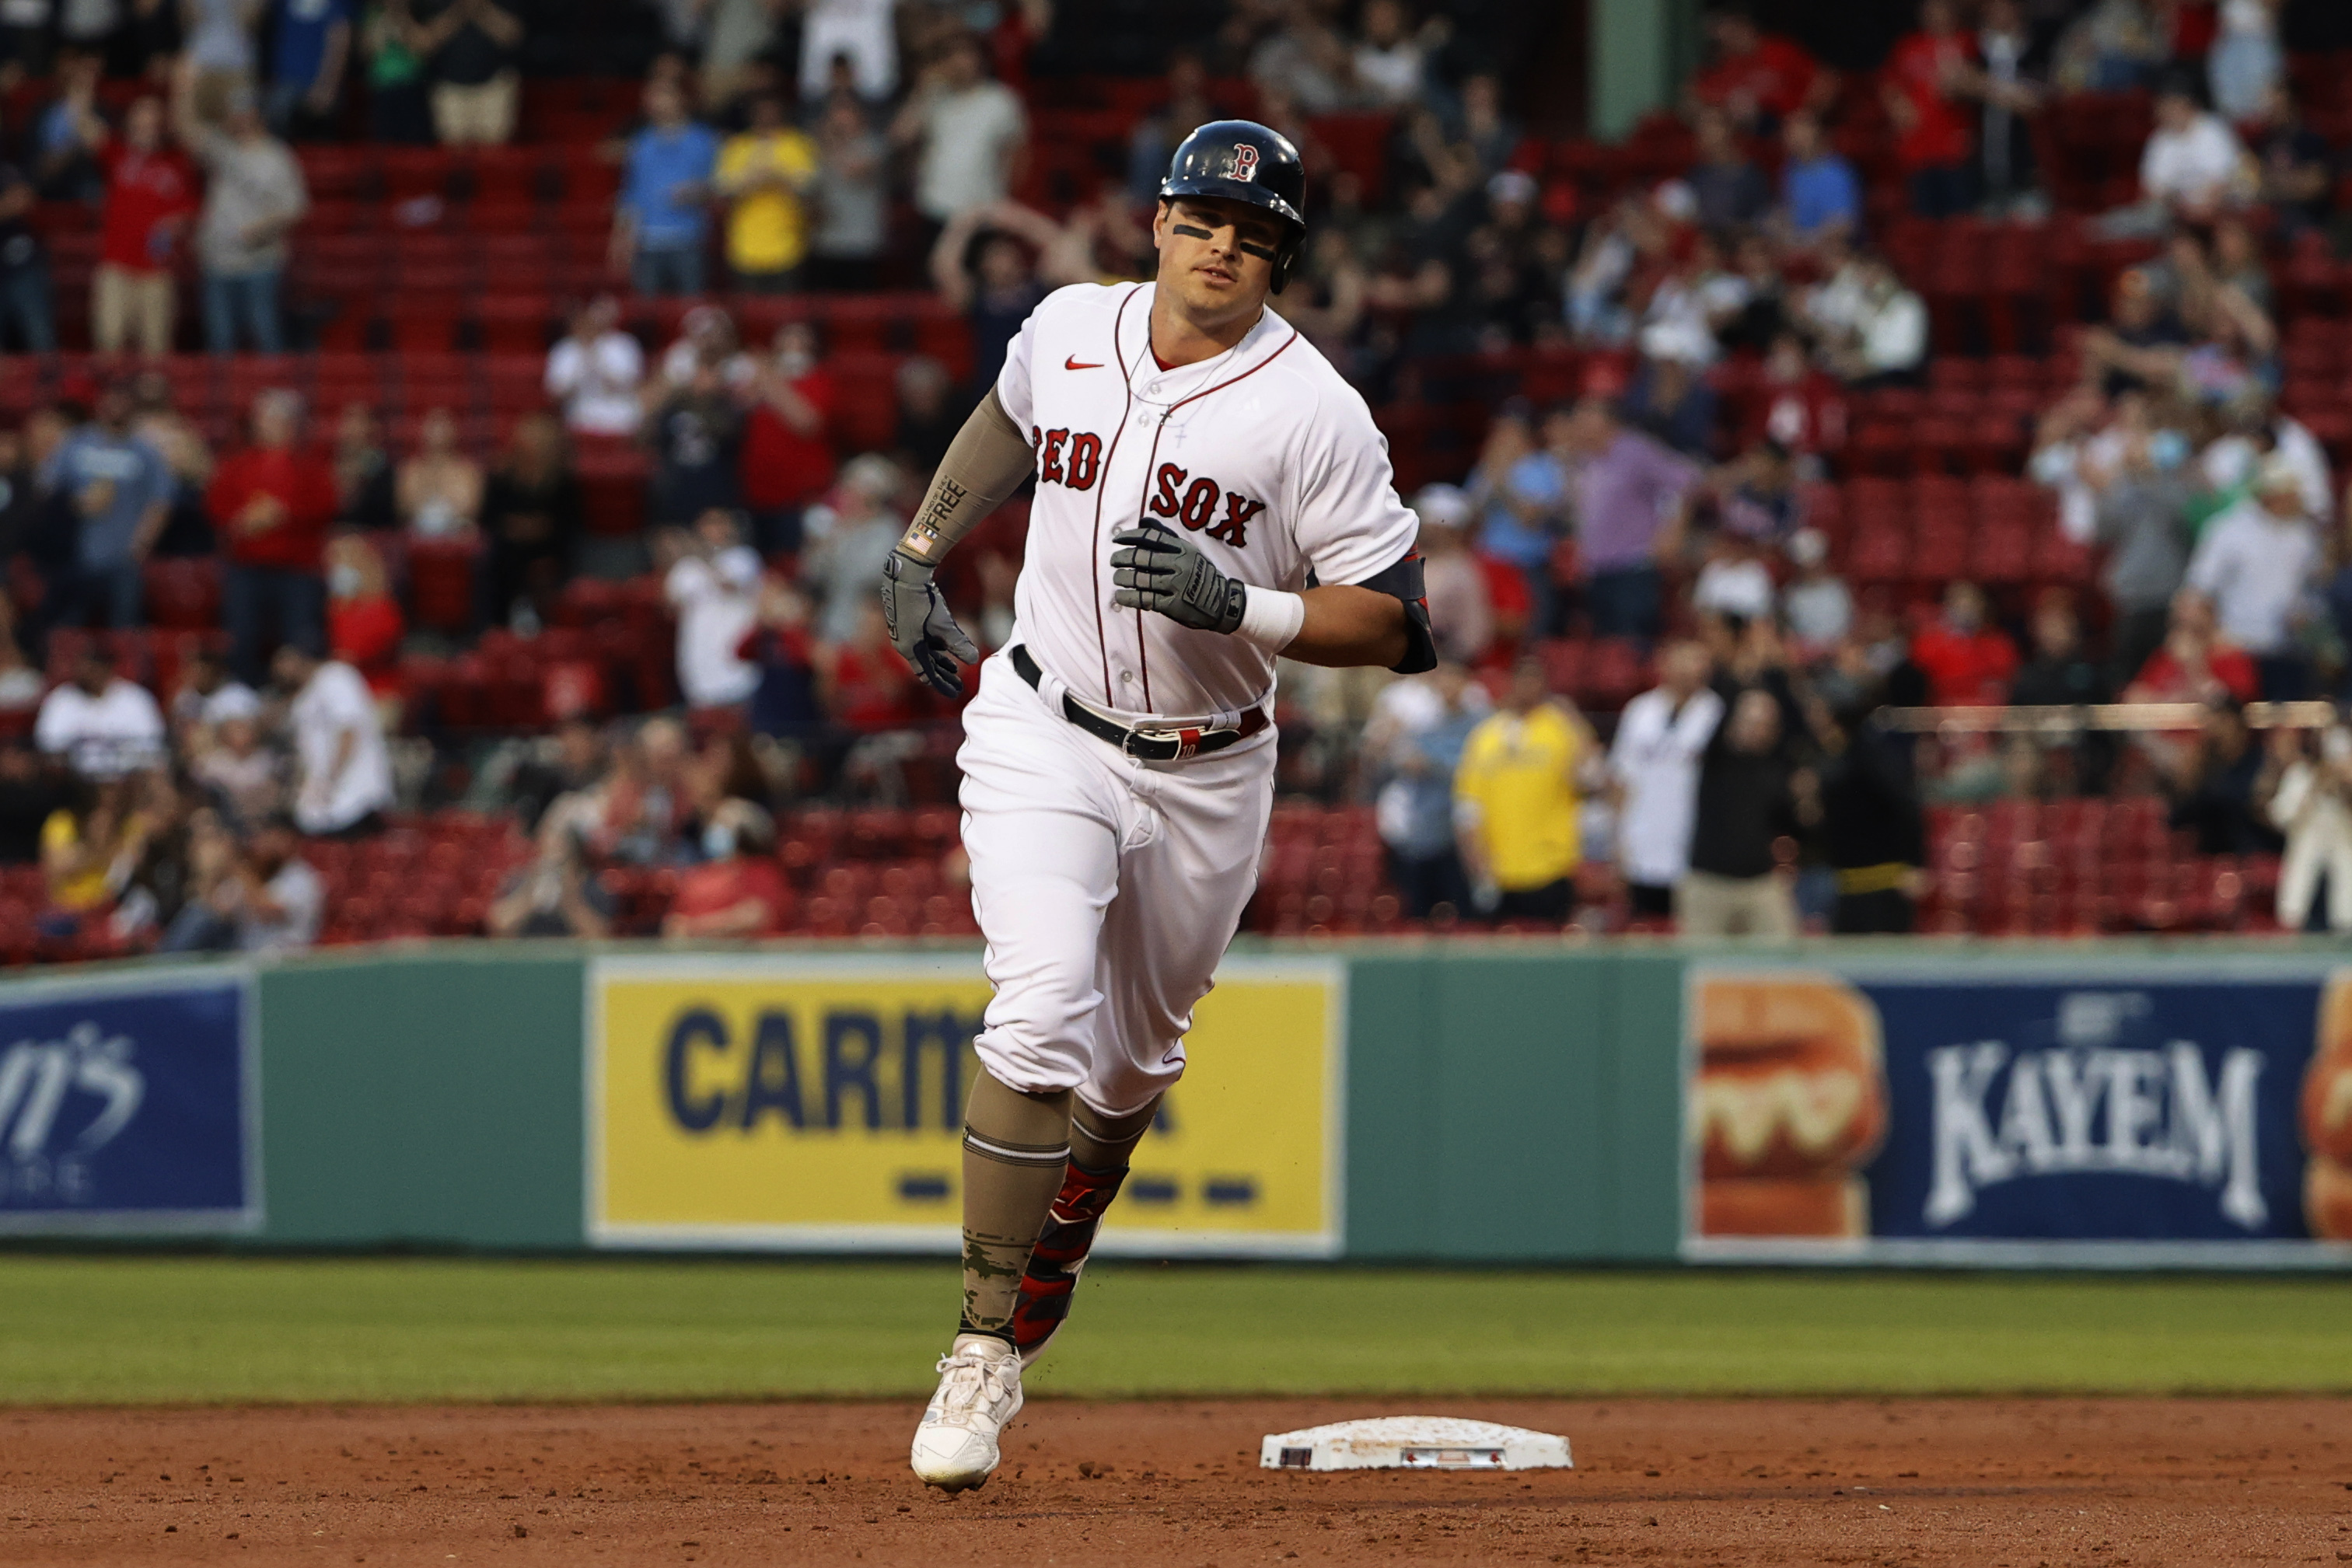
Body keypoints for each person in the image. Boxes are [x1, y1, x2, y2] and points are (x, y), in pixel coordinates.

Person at [876, 120, 1436, 1491]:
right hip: (1041, 727)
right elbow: (1011, 417)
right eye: (1202, 219)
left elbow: (1402, 626)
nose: (1222, 245)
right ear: (1160, 225)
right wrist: (919, 543)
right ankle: (981, 1345)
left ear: (1282, 258)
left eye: (1253, 234)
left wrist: (1241, 602)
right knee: (1040, 1005)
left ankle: (1055, 1243)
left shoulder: (1314, 412)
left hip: (1211, 764)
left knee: (1131, 1070)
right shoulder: (1070, 325)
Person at [173, 64, 307, 354]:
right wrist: (184, 89)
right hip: (217, 262)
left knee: (267, 339)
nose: (241, 118)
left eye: (246, 110)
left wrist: (262, 228)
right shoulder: (223, 148)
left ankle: (276, 398)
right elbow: (186, 131)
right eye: (235, 111)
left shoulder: (278, 157)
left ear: (258, 113)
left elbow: (296, 208)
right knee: (220, 345)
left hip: (260, 263)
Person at [208, 389, 337, 685]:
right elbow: (217, 504)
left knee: (299, 641)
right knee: (243, 637)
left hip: (297, 570)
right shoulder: (237, 463)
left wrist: (283, 513)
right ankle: (245, 698)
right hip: (246, 567)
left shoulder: (311, 465)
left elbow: (326, 503)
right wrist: (243, 519)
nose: (266, 425)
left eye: (274, 419)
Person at [1559, 396, 1699, 641]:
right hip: (1596, 570)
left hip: (1632, 568)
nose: (1578, 425)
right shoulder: (1586, 460)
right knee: (1607, 652)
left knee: (1632, 644)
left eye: (1585, 419)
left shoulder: (1634, 451)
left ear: (1608, 422)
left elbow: (1687, 482)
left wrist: (1674, 530)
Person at [42, 379, 172, 630]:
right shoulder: (76, 442)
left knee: (123, 628)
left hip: (124, 558)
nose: (116, 407)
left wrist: (141, 544)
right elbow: (48, 488)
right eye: (111, 400)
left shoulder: (145, 451)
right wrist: (76, 501)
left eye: (123, 402)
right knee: (70, 627)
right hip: (76, 554)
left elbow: (161, 501)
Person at [2186, 456, 2321, 698]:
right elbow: (2199, 588)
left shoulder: (2303, 535)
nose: (2296, 500)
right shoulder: (2228, 531)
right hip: (2239, 647)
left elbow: (2310, 586)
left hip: (2288, 648)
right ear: (2271, 495)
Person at [1609, 641, 1724, 924]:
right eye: (1681, 661)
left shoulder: (1717, 712)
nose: (1688, 670)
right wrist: (1619, 839)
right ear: (1664, 666)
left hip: (1697, 849)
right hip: (1643, 844)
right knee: (1644, 932)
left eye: (1695, 662)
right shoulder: (1640, 711)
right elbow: (1622, 779)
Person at [1681, 684, 1802, 938]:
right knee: (1704, 969)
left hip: (1759, 883)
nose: (1755, 729)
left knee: (1783, 956)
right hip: (1709, 883)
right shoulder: (1716, 761)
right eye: (1749, 721)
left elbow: (1791, 822)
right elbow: (1722, 696)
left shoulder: (1777, 770)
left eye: (1764, 724)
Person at [85, 93, 197, 356]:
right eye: (140, 121)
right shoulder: (117, 155)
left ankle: (151, 398)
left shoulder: (177, 163)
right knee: (108, 343)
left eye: (151, 122)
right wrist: (82, 88)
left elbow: (191, 211)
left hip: (156, 272)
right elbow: (85, 128)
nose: (145, 128)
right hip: (116, 267)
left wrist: (176, 223)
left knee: (155, 350)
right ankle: (110, 397)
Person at [894, 31, 1026, 246]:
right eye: (951, 56)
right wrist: (923, 90)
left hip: (981, 211)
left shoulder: (1001, 100)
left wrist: (1002, 196)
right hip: (935, 207)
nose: (959, 62)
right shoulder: (934, 98)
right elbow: (901, 136)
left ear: (980, 58)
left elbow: (1017, 156)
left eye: (965, 54)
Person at [274, 641, 393, 836]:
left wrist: (329, 779)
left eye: (282, 660)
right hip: (325, 803)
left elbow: (349, 731)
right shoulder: (303, 697)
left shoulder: (335, 676)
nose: (277, 668)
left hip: (357, 795)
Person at [613, 79, 719, 297]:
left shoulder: (704, 140)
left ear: (681, 99)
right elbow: (631, 193)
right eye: (653, 96)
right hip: (647, 241)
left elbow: (720, 186)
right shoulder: (642, 143)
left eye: (664, 96)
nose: (658, 102)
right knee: (647, 314)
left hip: (689, 239)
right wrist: (622, 237)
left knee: (691, 309)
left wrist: (697, 191)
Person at [161, 810, 324, 952]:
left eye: (268, 836)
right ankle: (161, 970)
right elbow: (214, 909)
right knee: (198, 912)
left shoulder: (302, 878)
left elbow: (268, 912)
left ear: (287, 839)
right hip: (245, 958)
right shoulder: (257, 876)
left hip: (285, 961)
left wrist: (235, 864)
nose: (260, 842)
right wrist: (210, 870)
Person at [739, 320, 836, 557]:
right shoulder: (761, 380)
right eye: (787, 338)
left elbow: (805, 422)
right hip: (756, 494)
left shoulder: (820, 380)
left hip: (797, 498)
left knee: (792, 562)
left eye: (799, 337)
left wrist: (768, 376)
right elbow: (738, 407)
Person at [480, 410, 581, 627]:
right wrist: (525, 527)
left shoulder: (562, 481)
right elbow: (490, 518)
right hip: (508, 549)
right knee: (496, 559)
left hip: (549, 548)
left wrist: (534, 528)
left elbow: (566, 523)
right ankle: (496, 626)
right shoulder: (502, 477)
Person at [714, 92, 816, 293]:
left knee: (784, 316)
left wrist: (779, 177)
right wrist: (750, 180)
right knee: (750, 317)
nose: (766, 116)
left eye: (771, 111)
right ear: (753, 115)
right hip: (745, 247)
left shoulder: (797, 144)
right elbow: (722, 188)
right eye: (761, 112)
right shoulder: (737, 146)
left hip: (788, 246)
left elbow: (810, 187)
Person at [1882, 0, 1976, 218]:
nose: (1937, 16)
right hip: (1917, 149)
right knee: (1925, 222)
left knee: (1959, 222)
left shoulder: (1966, 42)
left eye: (1942, 10)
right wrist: (1898, 106)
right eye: (1931, 11)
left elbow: (1976, 86)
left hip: (1954, 149)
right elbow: (1889, 84)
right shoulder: (1908, 46)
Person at [662, 507, 760, 711]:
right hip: (700, 650)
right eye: (709, 524)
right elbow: (671, 605)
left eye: (720, 523)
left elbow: (729, 585)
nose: (715, 529)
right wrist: (667, 553)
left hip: (734, 649)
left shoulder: (743, 557)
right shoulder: (687, 566)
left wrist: (700, 555)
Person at [2266, 719, 2352, 932]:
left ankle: (2346, 932)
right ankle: (2292, 932)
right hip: (2308, 839)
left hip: (2343, 839)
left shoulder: (2347, 781)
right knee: (2295, 897)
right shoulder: (2301, 775)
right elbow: (2280, 815)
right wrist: (2312, 793)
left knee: (2347, 886)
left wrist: (2344, 789)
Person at [662, 797, 790, 938]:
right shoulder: (698, 875)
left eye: (724, 824)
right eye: (714, 822)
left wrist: (697, 928)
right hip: (696, 957)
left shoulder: (761, 871)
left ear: (743, 834)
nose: (715, 829)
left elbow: (755, 918)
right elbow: (674, 924)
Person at [35, 644, 166, 777]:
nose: (87, 673)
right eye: (82, 667)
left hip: (129, 778)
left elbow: (152, 745)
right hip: (75, 780)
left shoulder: (135, 698)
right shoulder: (61, 699)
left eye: (93, 667)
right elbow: (48, 745)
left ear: (107, 669)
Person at [486, 806, 614, 938]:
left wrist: (570, 901)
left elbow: (600, 937)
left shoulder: (593, 887)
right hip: (529, 953)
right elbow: (499, 928)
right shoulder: (521, 880)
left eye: (561, 848)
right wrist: (529, 895)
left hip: (570, 953)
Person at [805, 89, 886, 292]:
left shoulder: (873, 144)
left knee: (860, 312)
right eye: (835, 111)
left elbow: (854, 171)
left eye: (845, 111)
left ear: (859, 114)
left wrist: (829, 143)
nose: (839, 118)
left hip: (861, 243)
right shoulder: (815, 148)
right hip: (825, 242)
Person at [411, 0, 520, 145]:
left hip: (493, 85)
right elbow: (424, 44)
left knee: (493, 157)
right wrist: (458, 12)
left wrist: (480, 9)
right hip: (449, 86)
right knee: (454, 157)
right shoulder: (433, 4)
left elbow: (512, 36)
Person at [545, 296, 645, 438]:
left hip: (619, 408)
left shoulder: (622, 344)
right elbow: (555, 393)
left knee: (631, 416)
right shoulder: (564, 350)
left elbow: (632, 384)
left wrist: (597, 362)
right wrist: (580, 370)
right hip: (580, 409)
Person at [264, 0, 353, 138]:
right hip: (284, 83)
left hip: (317, 85)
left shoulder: (335, 5)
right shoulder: (283, 4)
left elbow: (340, 41)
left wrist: (327, 86)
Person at [1774, 110, 1858, 252]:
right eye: (1790, 132)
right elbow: (1788, 211)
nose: (1795, 138)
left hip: (1830, 250)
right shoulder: (1790, 170)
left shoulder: (1837, 172)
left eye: (1801, 131)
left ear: (1816, 133)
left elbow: (1843, 225)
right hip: (1796, 246)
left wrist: (1805, 243)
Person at [396, 407, 482, 536]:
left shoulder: (469, 470)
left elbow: (471, 508)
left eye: (444, 425)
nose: (439, 431)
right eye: (434, 424)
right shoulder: (409, 469)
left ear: (455, 431)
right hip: (417, 534)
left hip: (458, 535)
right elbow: (404, 507)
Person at [0, 155, 52, 352]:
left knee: (41, 337)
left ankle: (50, 382)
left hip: (24, 266)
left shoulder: (9, 167)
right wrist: (7, 205)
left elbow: (26, 198)